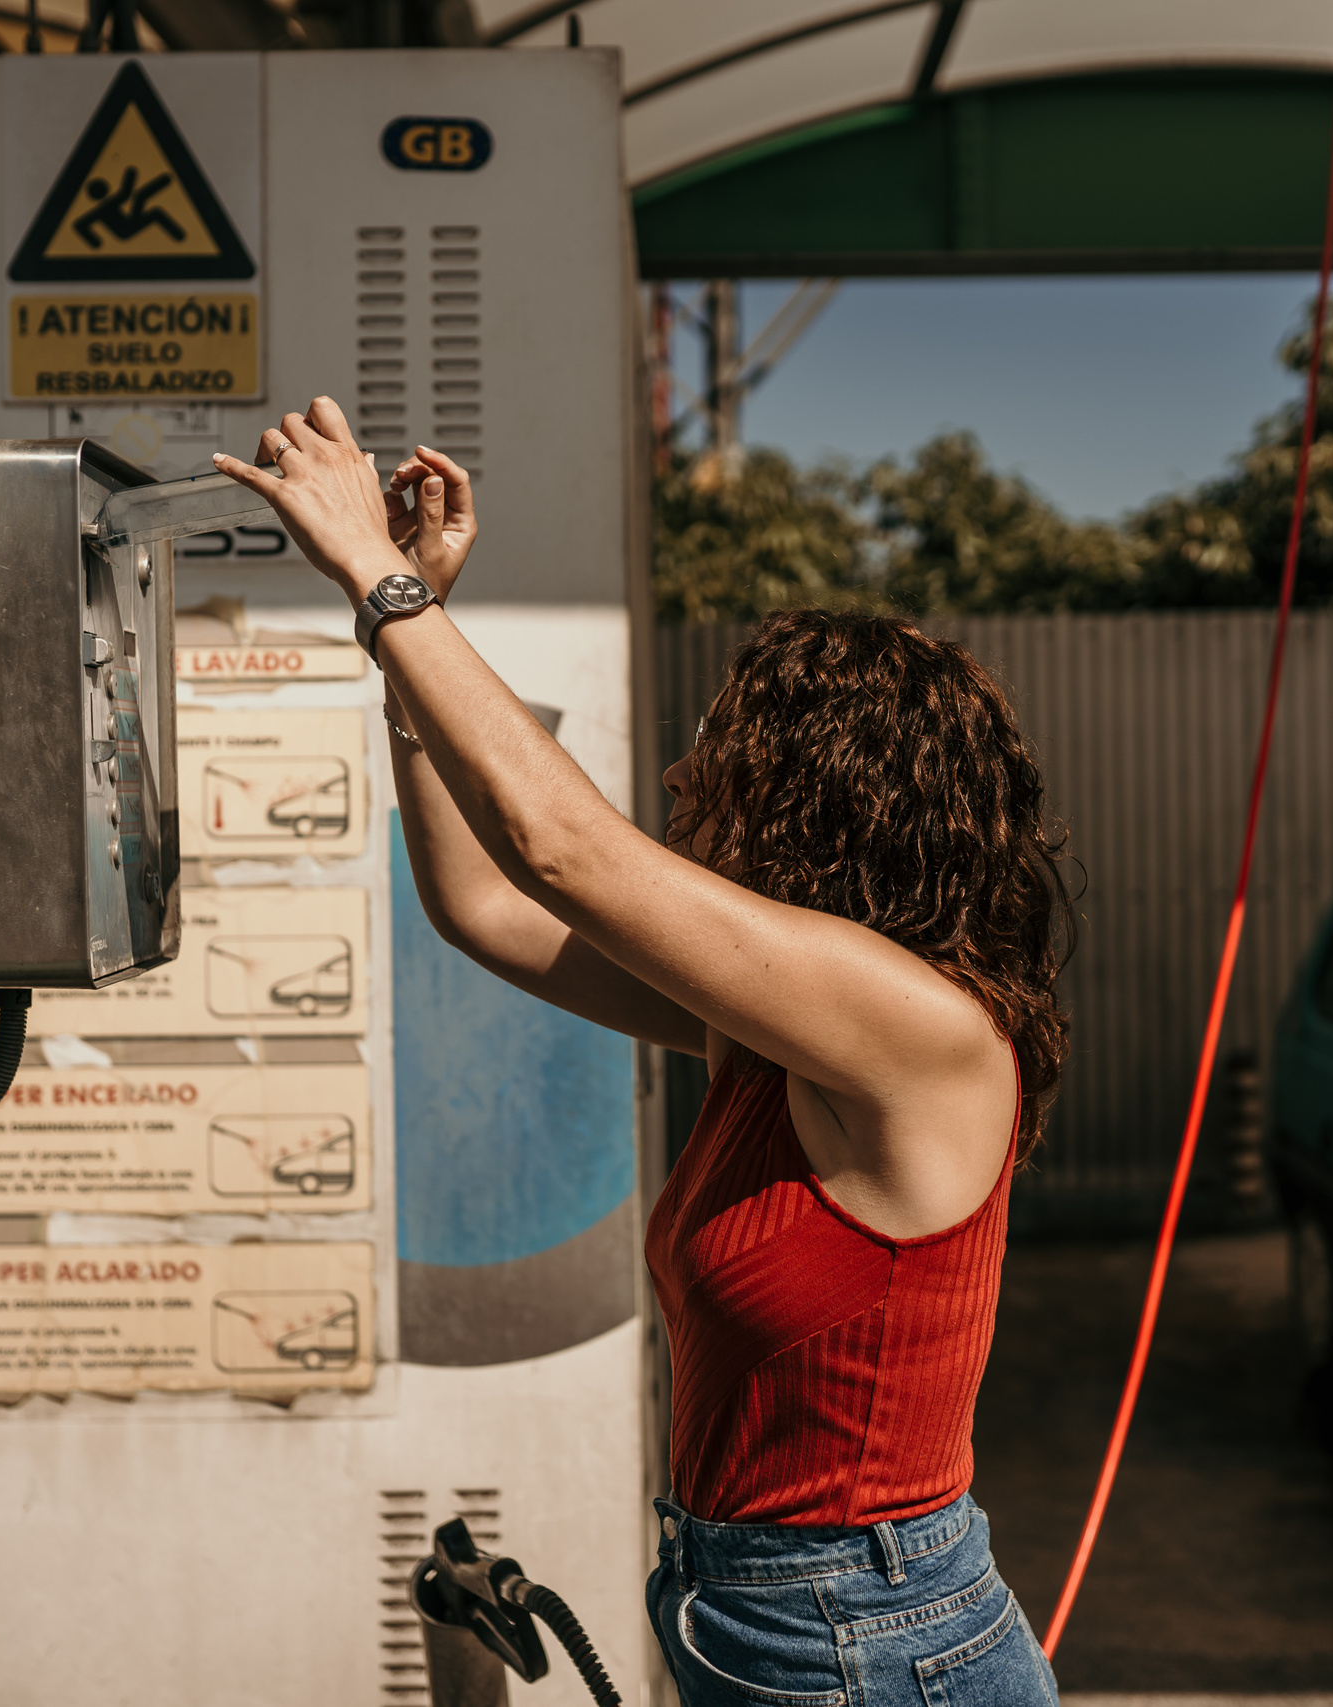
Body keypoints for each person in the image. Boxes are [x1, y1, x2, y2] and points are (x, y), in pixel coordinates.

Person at [216, 399, 1071, 1707]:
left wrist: (384, 587)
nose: (682, 779)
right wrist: (402, 647)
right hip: (771, 1612)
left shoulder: (916, 1035)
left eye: (721, 759)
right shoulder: (788, 1040)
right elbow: (489, 907)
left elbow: (568, 850)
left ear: (818, 805)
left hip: (870, 1635)